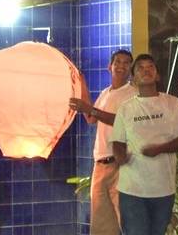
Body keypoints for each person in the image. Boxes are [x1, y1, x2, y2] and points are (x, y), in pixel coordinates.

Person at [111, 54, 178, 235]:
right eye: (140, 68)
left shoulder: (172, 104)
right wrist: (120, 156)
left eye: (150, 67)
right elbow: (117, 141)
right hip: (132, 190)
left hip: (163, 188)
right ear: (133, 78)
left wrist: (160, 149)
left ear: (157, 75)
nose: (146, 71)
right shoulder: (125, 108)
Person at [69, 49, 138, 235]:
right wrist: (82, 89)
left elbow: (122, 121)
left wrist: (90, 109)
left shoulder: (133, 94)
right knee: (101, 226)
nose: (121, 66)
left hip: (121, 165)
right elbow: (91, 119)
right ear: (110, 66)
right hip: (100, 165)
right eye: (118, 62)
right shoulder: (106, 93)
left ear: (130, 69)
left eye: (126, 63)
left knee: (127, 221)